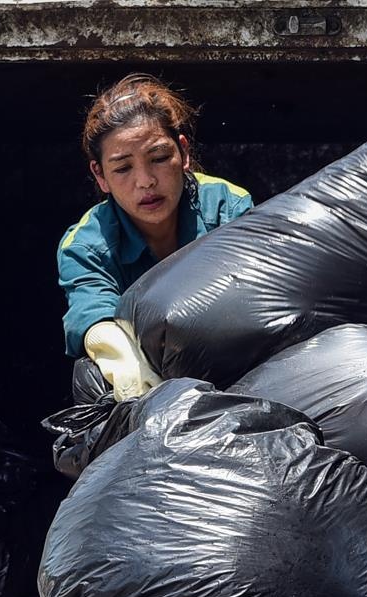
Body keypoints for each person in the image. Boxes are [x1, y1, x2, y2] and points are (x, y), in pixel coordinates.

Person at [57, 75, 253, 400]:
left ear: (183, 153)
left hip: (234, 363)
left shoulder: (227, 206)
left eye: (159, 158)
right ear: (100, 175)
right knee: (89, 375)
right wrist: (113, 348)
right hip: (152, 383)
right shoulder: (85, 244)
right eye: (123, 168)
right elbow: (90, 306)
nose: (145, 181)